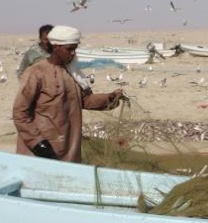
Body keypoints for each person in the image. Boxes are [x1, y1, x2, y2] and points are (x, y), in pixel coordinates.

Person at [12, 25, 125, 162]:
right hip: (40, 150)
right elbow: (20, 113)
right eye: (69, 49)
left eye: (75, 49)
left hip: (69, 146)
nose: (73, 53)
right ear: (56, 47)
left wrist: (109, 98)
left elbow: (85, 101)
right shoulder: (36, 73)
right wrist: (37, 143)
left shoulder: (74, 73)